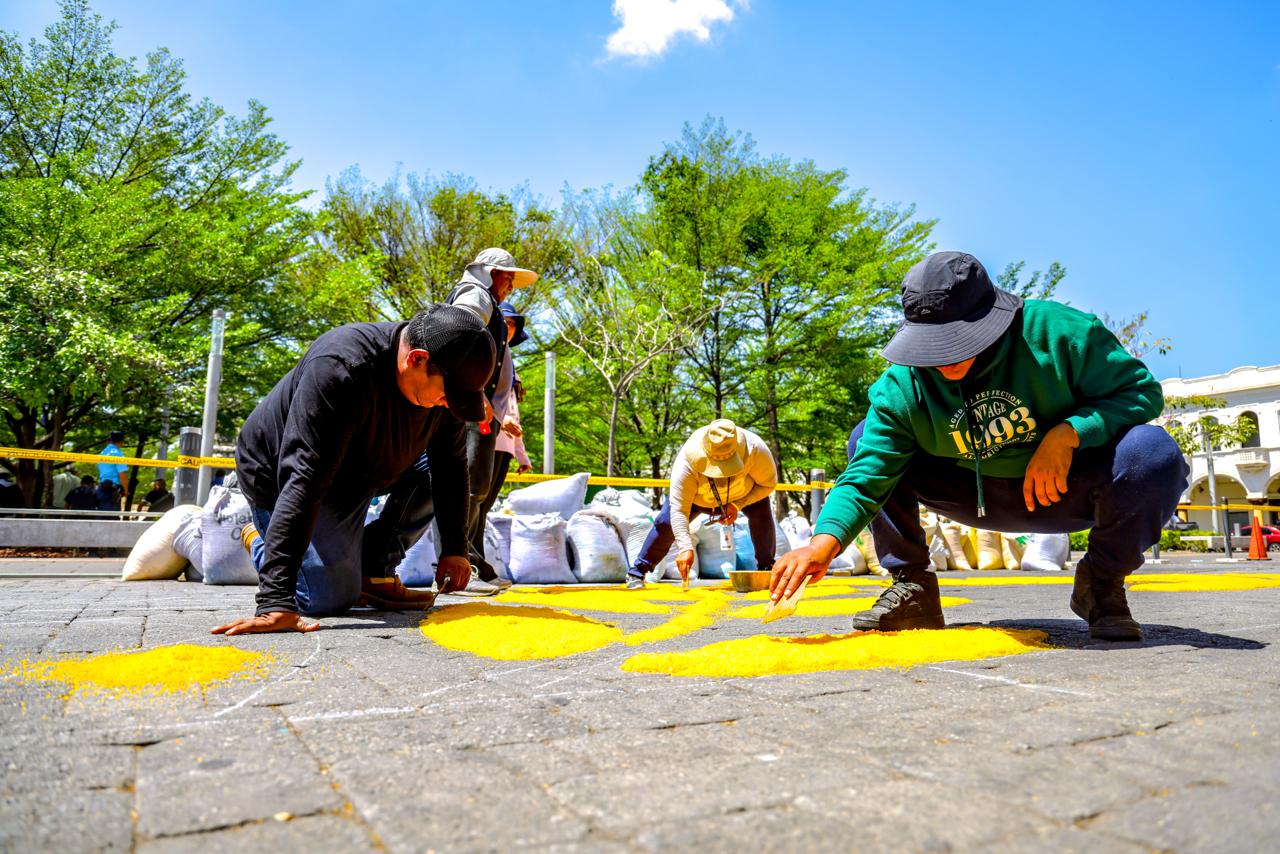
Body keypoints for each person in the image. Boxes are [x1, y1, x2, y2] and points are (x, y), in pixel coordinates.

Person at [770, 251, 1188, 641]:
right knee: (864, 436)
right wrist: (823, 542)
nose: (946, 356)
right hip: (965, 494)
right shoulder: (902, 385)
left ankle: (1101, 584)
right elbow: (867, 475)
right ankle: (912, 586)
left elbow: (1141, 392)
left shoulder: (1060, 333)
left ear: (993, 317)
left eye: (959, 339)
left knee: (1152, 453)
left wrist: (1069, 433)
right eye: (933, 343)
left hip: (1061, 490)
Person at [212, 304, 495, 636]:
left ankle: (373, 571)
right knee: (325, 598)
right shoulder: (341, 368)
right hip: (284, 477)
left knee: (438, 470)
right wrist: (275, 601)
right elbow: (303, 479)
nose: (449, 404)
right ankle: (262, 538)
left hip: (362, 472)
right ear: (416, 359)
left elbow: (450, 469)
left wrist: (455, 549)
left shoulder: (443, 381)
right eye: (447, 395)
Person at [445, 248, 538, 594]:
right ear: (489, 272)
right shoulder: (475, 296)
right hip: (471, 412)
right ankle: (459, 565)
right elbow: (458, 337)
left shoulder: (490, 307)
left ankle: (464, 563)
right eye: (508, 276)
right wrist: (475, 395)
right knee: (467, 490)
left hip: (483, 415)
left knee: (477, 491)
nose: (512, 284)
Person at [626, 419, 779, 589]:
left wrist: (737, 505)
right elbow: (679, 509)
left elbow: (768, 484)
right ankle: (637, 572)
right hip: (697, 499)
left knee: (762, 515)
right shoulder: (686, 462)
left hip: (743, 494)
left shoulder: (756, 449)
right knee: (665, 523)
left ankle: (767, 568)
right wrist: (685, 547)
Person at [470, 302, 534, 586]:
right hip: (483, 436)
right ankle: (470, 564)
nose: (508, 328)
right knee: (472, 503)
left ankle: (478, 563)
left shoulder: (510, 366)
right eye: (504, 322)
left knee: (484, 508)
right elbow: (487, 404)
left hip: (504, 445)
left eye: (512, 325)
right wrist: (501, 420)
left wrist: (522, 455)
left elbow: (513, 415)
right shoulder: (484, 356)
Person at [97, 431, 129, 503]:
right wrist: (126, 491)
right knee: (112, 513)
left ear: (109, 441)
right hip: (112, 491)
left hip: (101, 488)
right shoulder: (118, 454)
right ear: (122, 441)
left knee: (101, 513)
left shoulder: (102, 453)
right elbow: (122, 474)